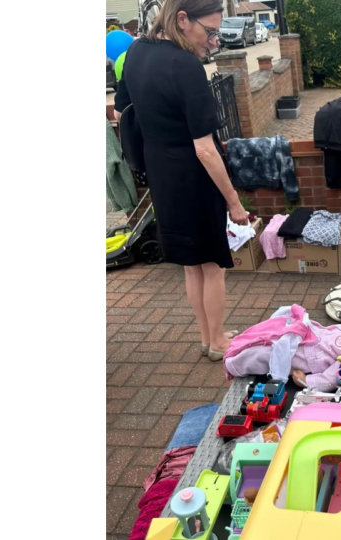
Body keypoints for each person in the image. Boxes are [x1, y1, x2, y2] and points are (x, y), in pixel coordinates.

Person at [114, 0, 249, 361]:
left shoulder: (136, 51)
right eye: (210, 31)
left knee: (192, 264)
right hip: (194, 177)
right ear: (183, 19)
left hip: (161, 174)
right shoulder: (186, 65)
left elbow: (121, 111)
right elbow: (205, 149)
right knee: (213, 266)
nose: (213, 39)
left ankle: (207, 337)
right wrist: (234, 202)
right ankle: (218, 341)